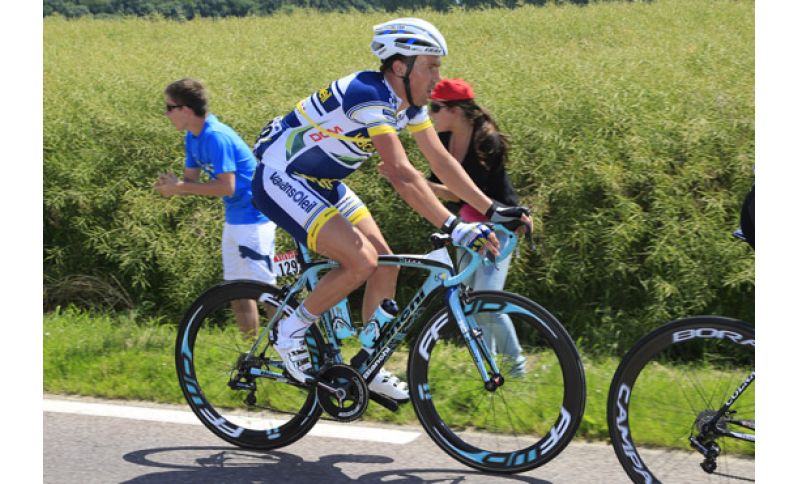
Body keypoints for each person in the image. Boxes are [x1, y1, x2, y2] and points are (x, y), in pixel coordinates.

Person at [251, 18, 531, 400]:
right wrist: (454, 226)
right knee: (362, 261)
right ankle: (290, 332)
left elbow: (442, 162)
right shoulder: (368, 94)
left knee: (386, 263)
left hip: (325, 184)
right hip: (282, 176)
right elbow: (401, 172)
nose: (437, 78)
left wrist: (492, 210)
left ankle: (369, 366)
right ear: (401, 67)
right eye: (431, 66)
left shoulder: (408, 105)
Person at [155, 78, 277, 336]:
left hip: (256, 219)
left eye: (169, 108)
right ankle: (250, 347)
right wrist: (172, 187)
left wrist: (180, 187)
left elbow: (226, 187)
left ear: (186, 110)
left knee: (266, 290)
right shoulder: (193, 137)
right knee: (236, 289)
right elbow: (190, 182)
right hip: (234, 219)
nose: (166, 114)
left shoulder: (216, 137)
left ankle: (292, 348)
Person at [426, 78, 527, 376]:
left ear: (455, 111)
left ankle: (517, 368)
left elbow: (464, 194)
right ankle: (488, 364)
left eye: (436, 108)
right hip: (467, 228)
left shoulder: (487, 141)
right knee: (469, 299)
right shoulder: (444, 139)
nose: (430, 114)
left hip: (499, 228)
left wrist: (416, 183)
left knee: (487, 299)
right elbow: (444, 189)